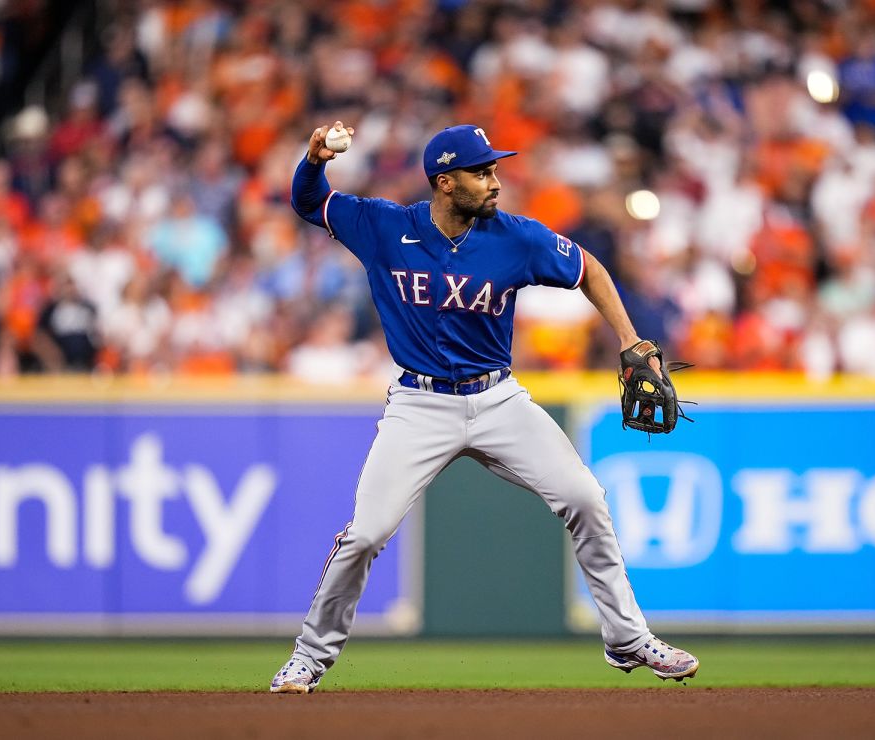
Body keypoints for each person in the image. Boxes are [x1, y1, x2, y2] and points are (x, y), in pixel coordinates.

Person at [269, 122, 699, 693]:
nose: (495, 180)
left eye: (495, 169)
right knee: (366, 534)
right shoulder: (383, 225)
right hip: (418, 404)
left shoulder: (516, 237)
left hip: (498, 398)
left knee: (585, 499)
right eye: (482, 171)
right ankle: (309, 656)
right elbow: (308, 201)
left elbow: (588, 269)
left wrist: (629, 339)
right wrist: (315, 159)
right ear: (445, 182)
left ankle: (627, 638)